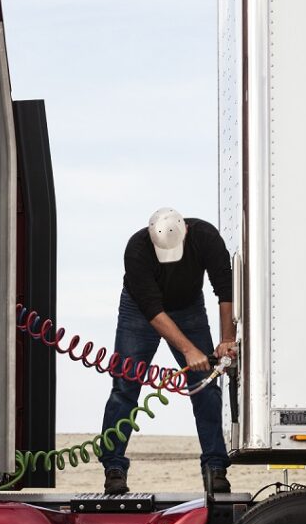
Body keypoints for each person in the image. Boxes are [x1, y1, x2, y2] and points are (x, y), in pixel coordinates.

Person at [99, 207, 237, 495]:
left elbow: (225, 290)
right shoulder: (137, 249)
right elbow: (152, 310)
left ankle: (215, 467)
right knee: (125, 386)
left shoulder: (206, 238)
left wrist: (227, 339)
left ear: (185, 231)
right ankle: (114, 467)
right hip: (140, 312)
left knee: (206, 385)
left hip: (189, 309)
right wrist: (189, 350)